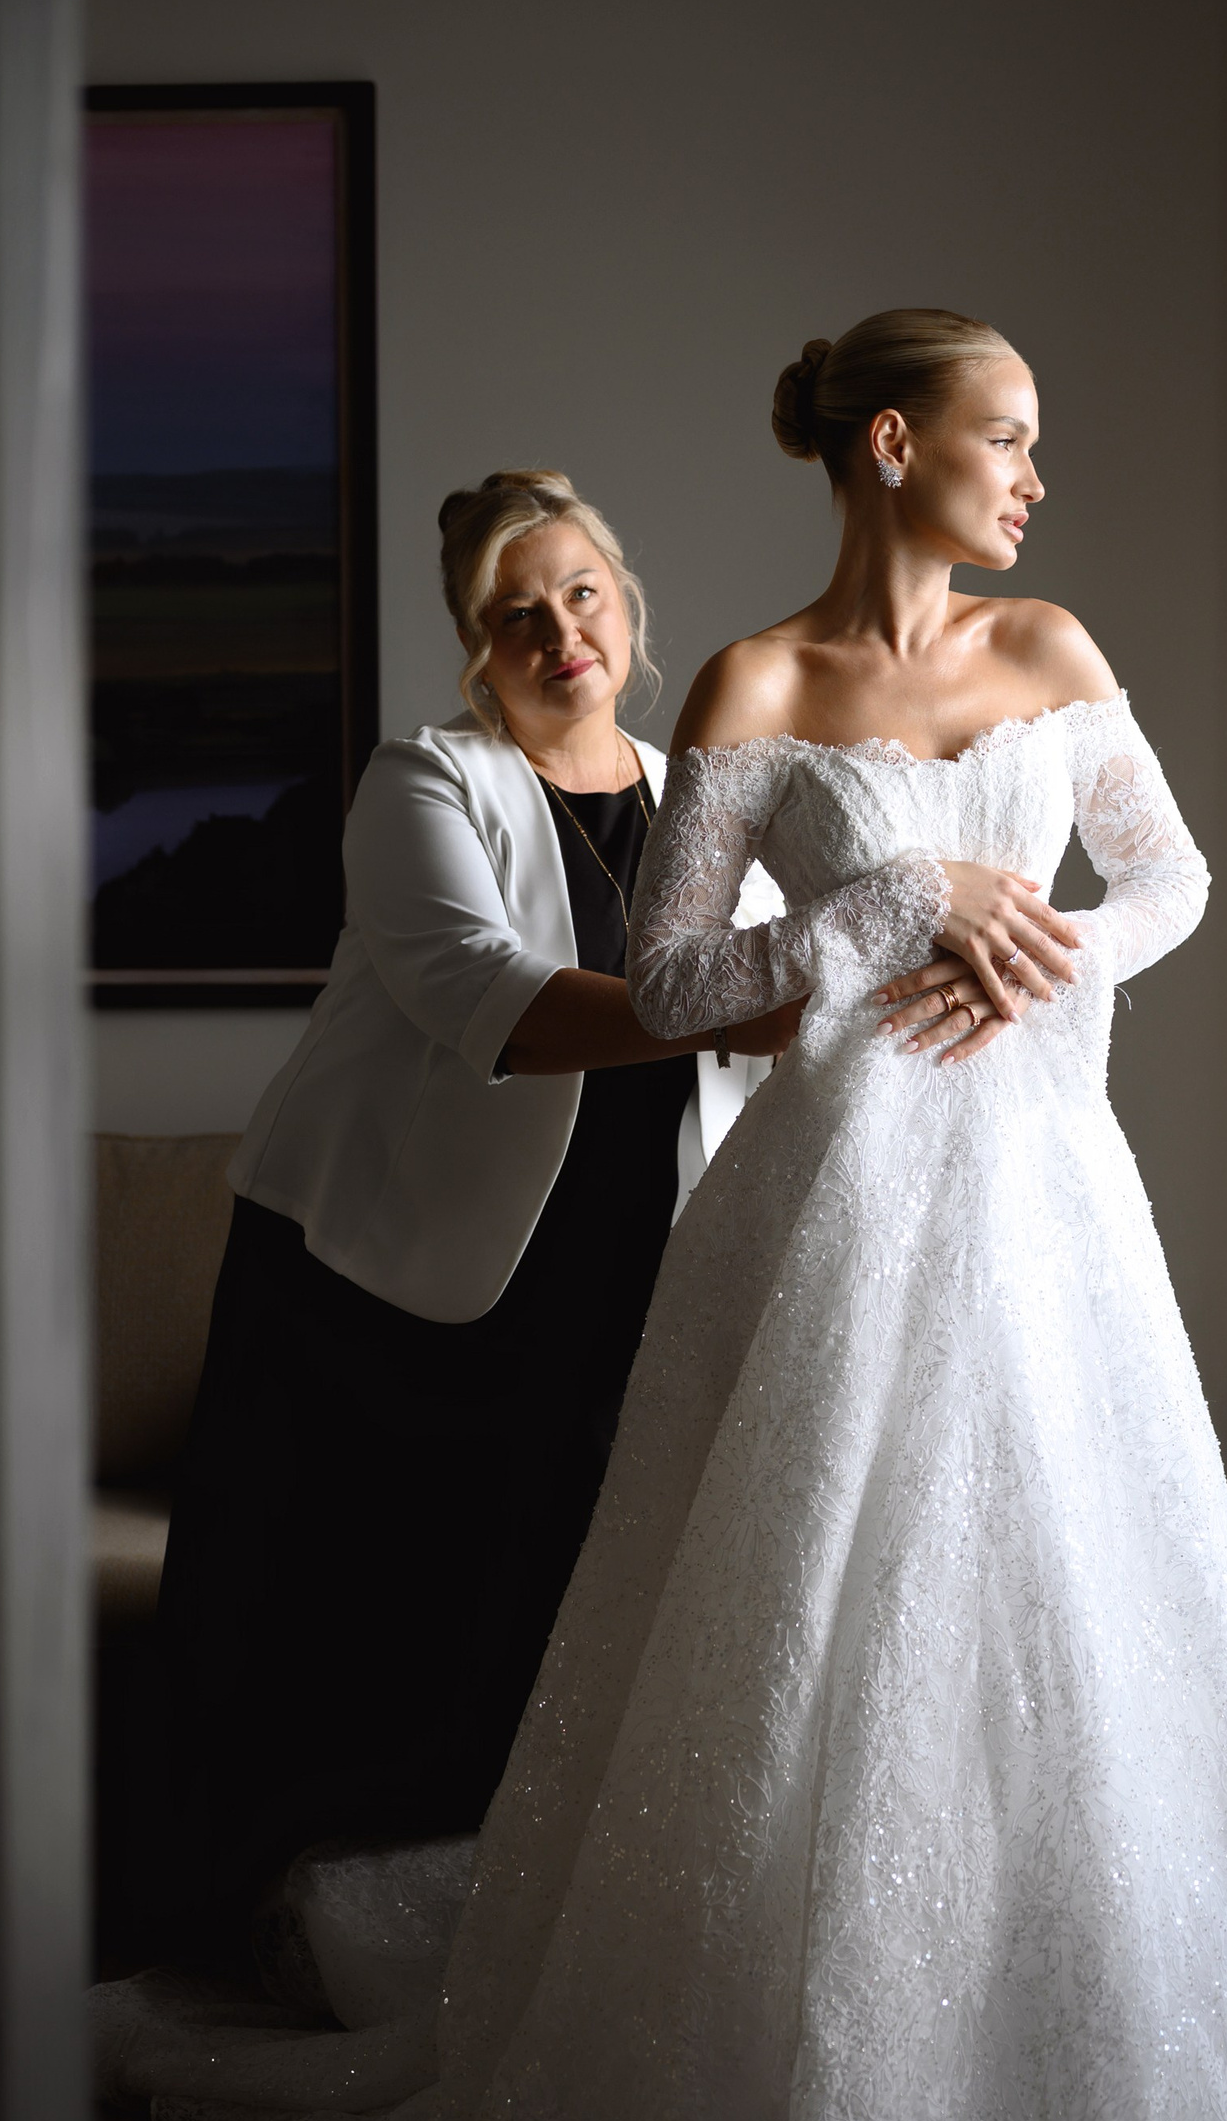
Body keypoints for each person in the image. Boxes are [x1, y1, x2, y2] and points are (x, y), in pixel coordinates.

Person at [184, 316, 1227, 2121]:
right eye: (1010, 438)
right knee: (807, 1621)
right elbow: (670, 978)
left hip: (1043, 1197)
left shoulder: (1051, 647)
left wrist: (1041, 956)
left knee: (1081, 1604)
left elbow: (1175, 879)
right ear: (897, 443)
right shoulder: (752, 685)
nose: (1036, 476)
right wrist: (892, 899)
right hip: (827, 1199)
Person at [154, 469, 798, 1939]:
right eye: (518, 616)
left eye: (581, 594)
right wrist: (733, 1009)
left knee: (535, 1626)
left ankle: (479, 1953)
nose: (560, 633)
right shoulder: (425, 781)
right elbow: (483, 997)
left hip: (609, 1263)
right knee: (339, 1634)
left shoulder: (697, 793)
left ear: (627, 606)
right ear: (476, 648)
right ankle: (260, 1933)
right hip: (366, 1279)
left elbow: (774, 1012)